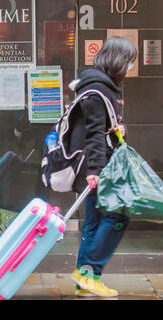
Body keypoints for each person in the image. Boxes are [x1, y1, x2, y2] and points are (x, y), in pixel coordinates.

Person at [68, 36, 137, 297]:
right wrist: (95, 171)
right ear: (118, 60)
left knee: (94, 221)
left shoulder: (95, 86)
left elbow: (100, 129)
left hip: (96, 166)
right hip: (100, 167)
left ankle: (85, 280)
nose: (129, 67)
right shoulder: (98, 90)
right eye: (129, 61)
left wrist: (118, 131)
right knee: (117, 215)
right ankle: (89, 271)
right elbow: (94, 134)